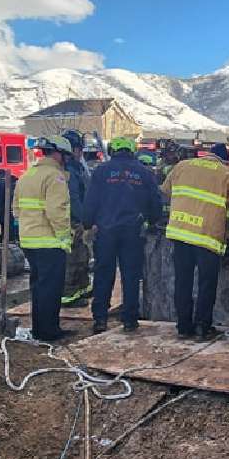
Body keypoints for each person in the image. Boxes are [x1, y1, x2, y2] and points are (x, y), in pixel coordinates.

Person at [162, 142, 229, 341]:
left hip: (180, 234)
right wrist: (226, 234)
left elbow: (165, 192)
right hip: (208, 238)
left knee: (183, 281)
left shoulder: (182, 166)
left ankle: (183, 327)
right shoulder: (227, 175)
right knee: (207, 284)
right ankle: (202, 327)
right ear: (225, 161)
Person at [82, 136, 162, 335]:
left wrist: (87, 223)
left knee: (103, 275)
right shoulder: (144, 172)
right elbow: (156, 203)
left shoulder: (101, 171)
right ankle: (130, 320)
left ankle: (100, 318)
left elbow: (90, 200)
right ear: (132, 150)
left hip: (106, 231)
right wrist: (152, 222)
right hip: (132, 232)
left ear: (113, 150)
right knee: (131, 276)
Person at [14, 135, 74, 342]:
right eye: (65, 155)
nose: (65, 159)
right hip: (49, 241)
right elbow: (57, 211)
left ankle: (39, 329)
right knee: (51, 288)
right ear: (58, 153)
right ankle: (49, 331)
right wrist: (64, 237)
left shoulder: (27, 175)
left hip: (29, 240)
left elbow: (16, 210)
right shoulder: (55, 177)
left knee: (38, 286)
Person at [60, 130, 92, 307]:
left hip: (76, 220)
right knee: (72, 259)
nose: (81, 154)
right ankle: (69, 295)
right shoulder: (70, 171)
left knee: (82, 255)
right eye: (79, 149)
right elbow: (74, 198)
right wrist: (84, 218)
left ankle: (82, 289)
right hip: (72, 222)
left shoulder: (76, 168)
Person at [0, 168, 18, 243]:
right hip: (6, 210)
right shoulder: (7, 185)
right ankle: (10, 241)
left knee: (0, 228)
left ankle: (0, 242)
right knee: (9, 229)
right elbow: (10, 197)